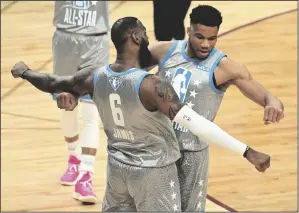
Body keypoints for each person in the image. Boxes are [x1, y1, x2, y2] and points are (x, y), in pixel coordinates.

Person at [11, 17, 271, 212]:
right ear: (135, 38)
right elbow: (197, 124)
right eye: (144, 33)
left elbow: (53, 82)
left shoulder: (94, 75)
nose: (148, 37)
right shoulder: (151, 86)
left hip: (117, 171)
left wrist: (25, 72)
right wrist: (246, 151)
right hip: (153, 175)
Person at [146, 5, 284, 211]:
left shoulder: (224, 67)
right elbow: (123, 70)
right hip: (159, 147)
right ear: (188, 31)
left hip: (193, 155)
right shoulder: (163, 51)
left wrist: (273, 103)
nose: (205, 44)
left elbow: (266, 96)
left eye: (212, 39)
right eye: (200, 37)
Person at [51, 1, 110, 203]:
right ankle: (73, 157)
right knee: (67, 106)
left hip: (96, 42)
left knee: (91, 112)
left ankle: (86, 175)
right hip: (65, 40)